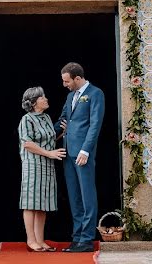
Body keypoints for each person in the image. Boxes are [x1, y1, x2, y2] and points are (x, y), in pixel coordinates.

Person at [55, 62, 104, 253]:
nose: (65, 84)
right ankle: (77, 238)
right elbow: (62, 121)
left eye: (67, 81)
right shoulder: (69, 96)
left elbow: (95, 124)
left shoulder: (95, 94)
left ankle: (87, 239)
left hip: (82, 154)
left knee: (87, 196)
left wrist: (86, 150)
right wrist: (41, 134)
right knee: (74, 197)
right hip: (67, 152)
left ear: (77, 78)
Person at [18, 86, 66, 252]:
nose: (46, 99)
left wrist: (62, 133)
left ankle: (40, 240)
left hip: (47, 164)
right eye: (42, 97)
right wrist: (49, 153)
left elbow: (50, 139)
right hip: (32, 164)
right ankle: (31, 240)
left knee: (42, 203)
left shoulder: (46, 117)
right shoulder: (27, 119)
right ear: (33, 103)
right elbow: (28, 143)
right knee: (31, 202)